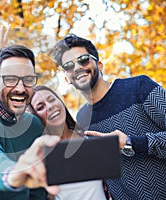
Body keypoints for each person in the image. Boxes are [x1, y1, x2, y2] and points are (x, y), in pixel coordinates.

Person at [51, 34, 166, 199]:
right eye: (69, 65)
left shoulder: (139, 87)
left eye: (83, 60)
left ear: (99, 64)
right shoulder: (83, 119)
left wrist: (132, 143)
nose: (77, 68)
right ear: (66, 78)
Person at [0, 45, 54, 200]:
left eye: (28, 80)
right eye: (10, 79)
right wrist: (12, 173)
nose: (20, 88)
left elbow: (37, 191)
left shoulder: (34, 125)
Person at [28, 85, 107, 200]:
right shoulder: (40, 154)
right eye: (41, 107)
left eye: (51, 100)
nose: (50, 107)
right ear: (35, 117)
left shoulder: (88, 137)